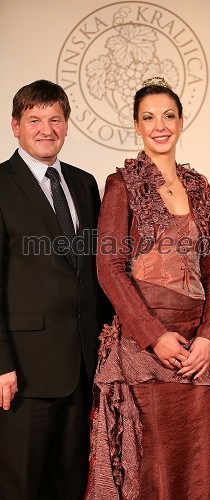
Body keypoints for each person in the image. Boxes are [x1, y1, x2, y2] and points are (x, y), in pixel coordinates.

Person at [86, 76, 210, 499]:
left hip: (196, 351)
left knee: (201, 461)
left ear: (181, 121)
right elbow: (109, 268)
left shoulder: (199, 186)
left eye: (168, 115)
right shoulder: (122, 184)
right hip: (143, 348)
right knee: (150, 465)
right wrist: (155, 337)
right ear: (136, 125)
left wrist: (208, 338)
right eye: (148, 117)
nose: (159, 125)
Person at [0, 79, 110, 500]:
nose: (46, 129)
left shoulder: (84, 184)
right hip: (23, 373)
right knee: (21, 486)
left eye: (55, 120)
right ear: (15, 126)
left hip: (81, 368)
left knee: (69, 484)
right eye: (34, 120)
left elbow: (93, 273)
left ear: (66, 125)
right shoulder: (2, 184)